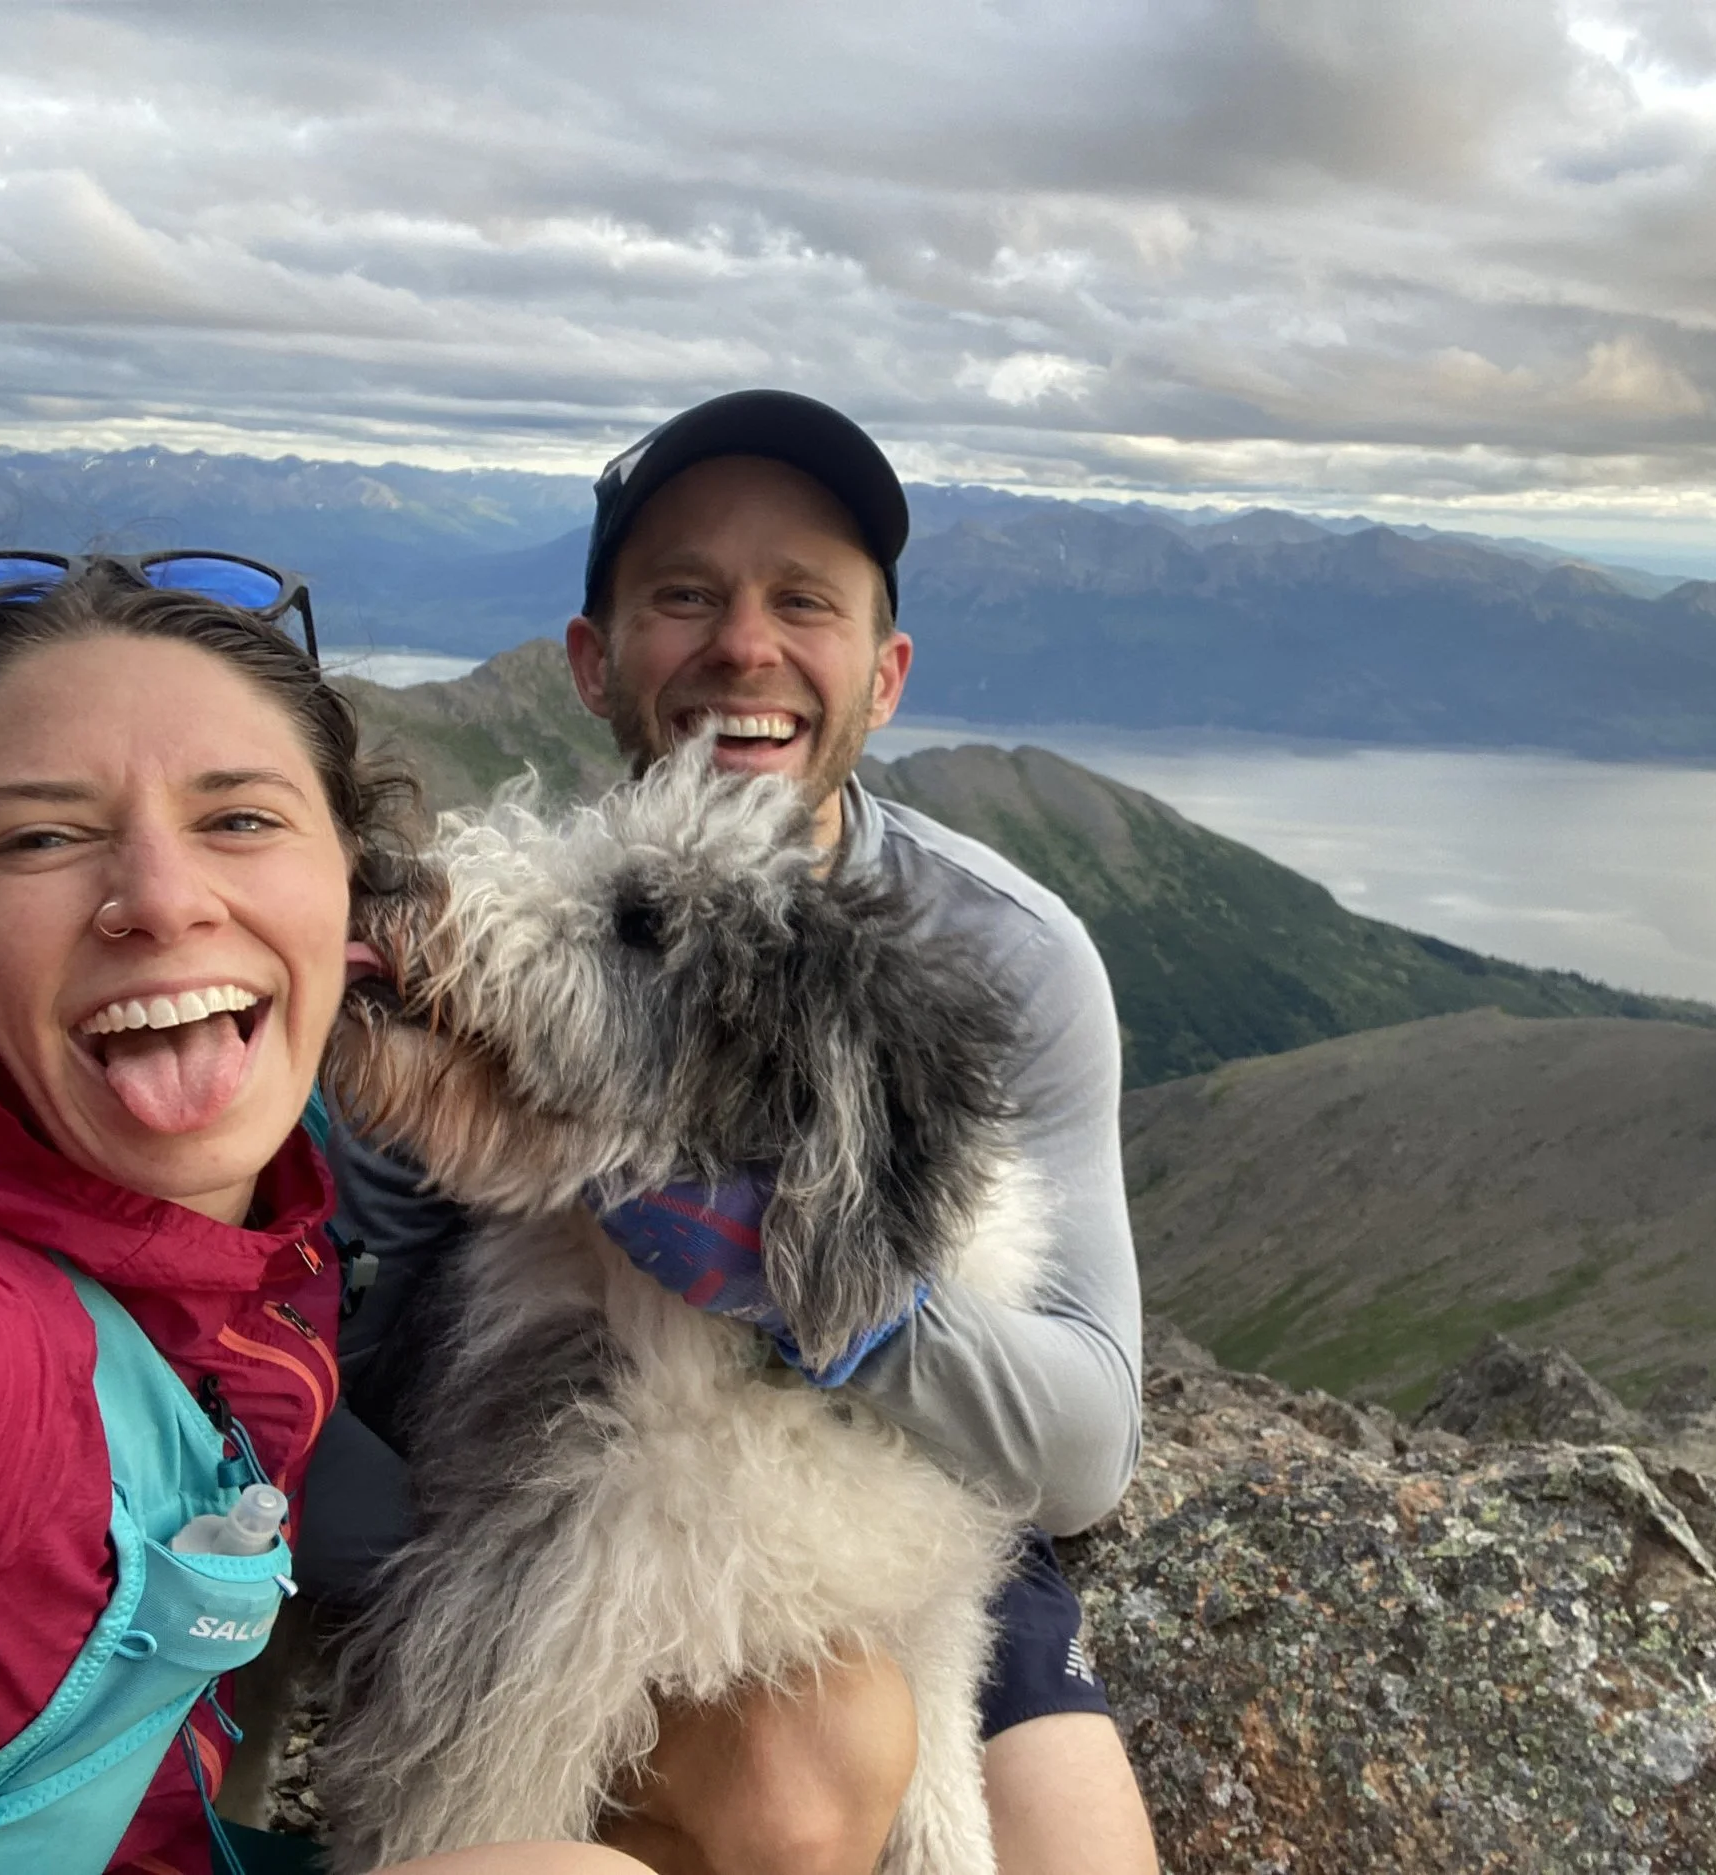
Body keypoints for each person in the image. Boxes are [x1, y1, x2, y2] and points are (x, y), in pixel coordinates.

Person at [322, 391, 1158, 1875]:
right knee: (785, 1778)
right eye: (686, 595)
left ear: (885, 675)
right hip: (554, 1465)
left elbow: (1084, 1447)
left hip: (914, 1459)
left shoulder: (1014, 954)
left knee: (1076, 1853)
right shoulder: (468, 961)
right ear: (594, 658)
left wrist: (810, 1291)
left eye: (804, 601)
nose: (745, 647)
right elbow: (367, 1326)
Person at [0, 556, 649, 1875]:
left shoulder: (268, 1202)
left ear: (351, 887)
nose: (163, 900)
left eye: (238, 819)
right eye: (39, 837)